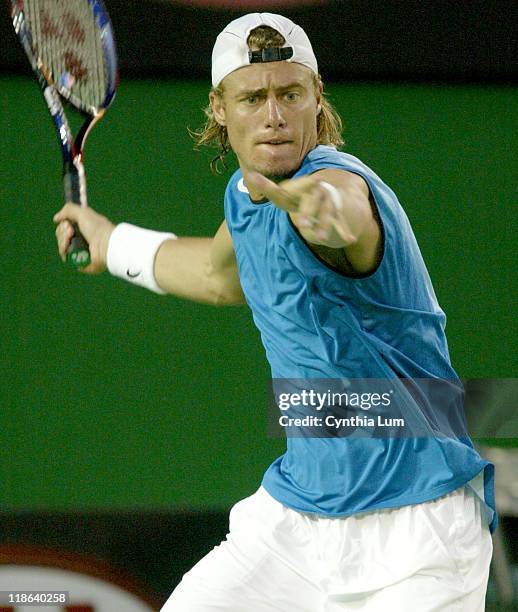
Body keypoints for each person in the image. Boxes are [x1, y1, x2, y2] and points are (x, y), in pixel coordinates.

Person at [54, 13, 496, 612]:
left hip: (418, 537)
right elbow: (218, 275)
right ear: (219, 108)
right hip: (296, 522)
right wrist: (112, 246)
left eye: (291, 94)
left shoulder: (339, 185)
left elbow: (344, 213)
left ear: (317, 98)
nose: (274, 116)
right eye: (253, 97)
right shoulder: (245, 193)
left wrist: (321, 209)